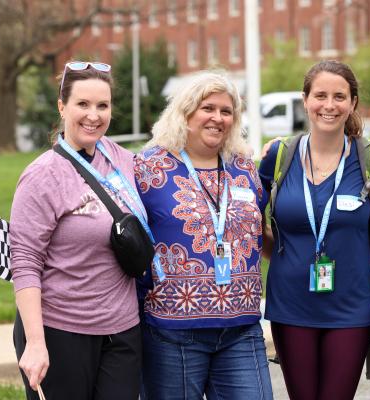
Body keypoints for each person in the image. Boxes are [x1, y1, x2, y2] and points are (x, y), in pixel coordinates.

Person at [135, 71, 273, 400]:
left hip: (241, 328)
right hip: (173, 333)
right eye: (208, 108)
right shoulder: (148, 168)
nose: (218, 118)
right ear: (185, 112)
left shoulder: (244, 167)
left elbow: (264, 231)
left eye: (227, 112)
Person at [10, 61, 143, 399]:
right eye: (82, 104)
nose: (93, 115)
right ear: (62, 106)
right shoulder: (43, 176)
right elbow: (24, 263)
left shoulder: (124, 161)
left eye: (103, 105)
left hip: (123, 332)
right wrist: (36, 343)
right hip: (61, 333)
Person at [258, 60, 370, 399]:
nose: (329, 105)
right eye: (321, 95)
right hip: (290, 304)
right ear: (305, 99)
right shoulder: (277, 157)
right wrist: (283, 254)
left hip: (351, 306)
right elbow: (248, 222)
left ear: (353, 103)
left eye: (339, 96)